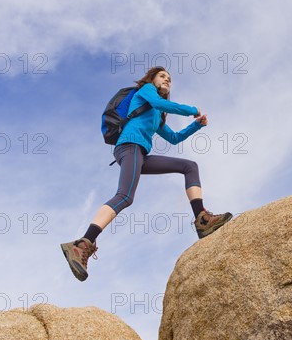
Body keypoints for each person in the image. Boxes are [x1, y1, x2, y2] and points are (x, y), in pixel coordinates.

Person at [60, 66, 233, 281]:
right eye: (163, 76)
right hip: (129, 147)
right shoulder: (147, 91)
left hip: (140, 154)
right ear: (152, 78)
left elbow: (174, 138)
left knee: (189, 166)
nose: (167, 80)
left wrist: (196, 125)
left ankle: (202, 220)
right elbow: (161, 102)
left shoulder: (157, 114)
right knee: (124, 196)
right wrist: (192, 109)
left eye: (170, 78)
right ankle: (82, 244)